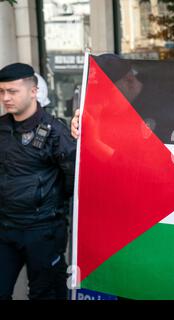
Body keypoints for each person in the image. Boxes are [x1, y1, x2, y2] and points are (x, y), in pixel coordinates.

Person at [0, 63, 76, 300]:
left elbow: (74, 178)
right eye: (2, 91)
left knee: (46, 295)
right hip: (5, 229)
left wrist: (51, 207)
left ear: (33, 91)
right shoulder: (1, 128)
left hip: (43, 232)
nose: (6, 98)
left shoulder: (55, 131)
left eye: (13, 91)